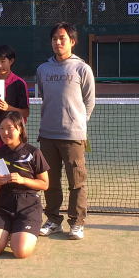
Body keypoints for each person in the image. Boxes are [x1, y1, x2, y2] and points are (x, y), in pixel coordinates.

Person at [36, 22, 95, 240]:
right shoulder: (43, 69)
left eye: (62, 38)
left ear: (72, 41)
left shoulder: (82, 69)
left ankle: (77, 222)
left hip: (73, 137)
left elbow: (89, 102)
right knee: (50, 181)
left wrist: (78, 123)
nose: (58, 42)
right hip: (47, 135)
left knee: (77, 182)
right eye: (54, 39)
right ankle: (53, 220)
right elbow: (43, 96)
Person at [0, 111, 49, 259]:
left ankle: (19, 233)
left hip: (28, 207)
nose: (5, 132)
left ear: (20, 129)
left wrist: (23, 180)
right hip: (3, 207)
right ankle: (8, 232)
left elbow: (45, 184)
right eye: (1, 128)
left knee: (20, 252)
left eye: (10, 128)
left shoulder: (33, 152)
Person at [0, 45, 29, 153]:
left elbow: (26, 113)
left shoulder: (19, 83)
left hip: (13, 131)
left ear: (11, 61)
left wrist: (8, 108)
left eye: (3, 61)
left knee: (12, 165)